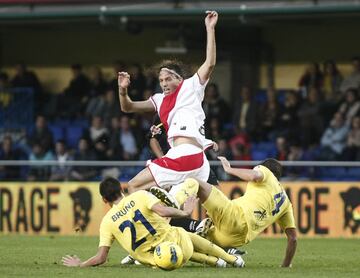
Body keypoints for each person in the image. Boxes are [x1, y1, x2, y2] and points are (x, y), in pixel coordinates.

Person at [117, 11, 218, 197]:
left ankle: (133, 225)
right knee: (177, 209)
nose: (163, 83)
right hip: (197, 161)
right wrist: (123, 91)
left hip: (186, 154)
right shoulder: (159, 99)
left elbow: (210, 63)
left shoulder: (191, 86)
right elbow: (127, 107)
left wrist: (210, 29)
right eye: (161, 80)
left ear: (179, 79)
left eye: (168, 79)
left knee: (132, 186)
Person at [62, 177, 245, 269]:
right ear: (121, 189)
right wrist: (186, 212)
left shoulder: (107, 222)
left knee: (177, 250)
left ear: (104, 200)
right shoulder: (139, 196)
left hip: (160, 261)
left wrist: (81, 264)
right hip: (180, 246)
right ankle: (230, 259)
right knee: (184, 236)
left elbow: (101, 257)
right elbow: (163, 211)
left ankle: (216, 263)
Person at [160, 157, 297, 267]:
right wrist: (286, 265)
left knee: (194, 181)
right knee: (190, 241)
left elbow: (254, 175)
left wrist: (229, 169)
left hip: (235, 216)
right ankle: (229, 258)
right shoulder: (286, 203)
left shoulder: (267, 174)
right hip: (235, 239)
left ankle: (173, 202)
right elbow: (293, 239)